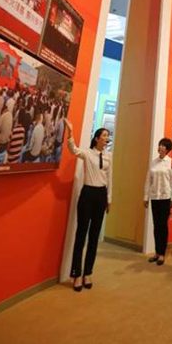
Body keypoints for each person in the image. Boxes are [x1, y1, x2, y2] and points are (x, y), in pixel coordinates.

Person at [66, 121, 112, 292]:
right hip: (87, 194)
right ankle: (76, 274)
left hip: (101, 195)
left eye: (108, 136)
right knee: (81, 235)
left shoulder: (108, 156)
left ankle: (88, 273)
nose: (107, 138)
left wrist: (109, 199)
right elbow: (73, 150)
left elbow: (110, 178)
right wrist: (70, 133)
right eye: (104, 135)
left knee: (94, 237)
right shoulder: (87, 153)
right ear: (97, 138)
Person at [144, 137, 172, 265]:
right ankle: (157, 252)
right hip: (154, 197)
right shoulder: (153, 162)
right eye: (159, 145)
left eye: (163, 145)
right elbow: (148, 180)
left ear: (167, 149)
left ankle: (162, 253)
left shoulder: (171, 162)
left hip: (165, 197)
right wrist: (145, 197)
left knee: (163, 225)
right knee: (156, 225)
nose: (160, 147)